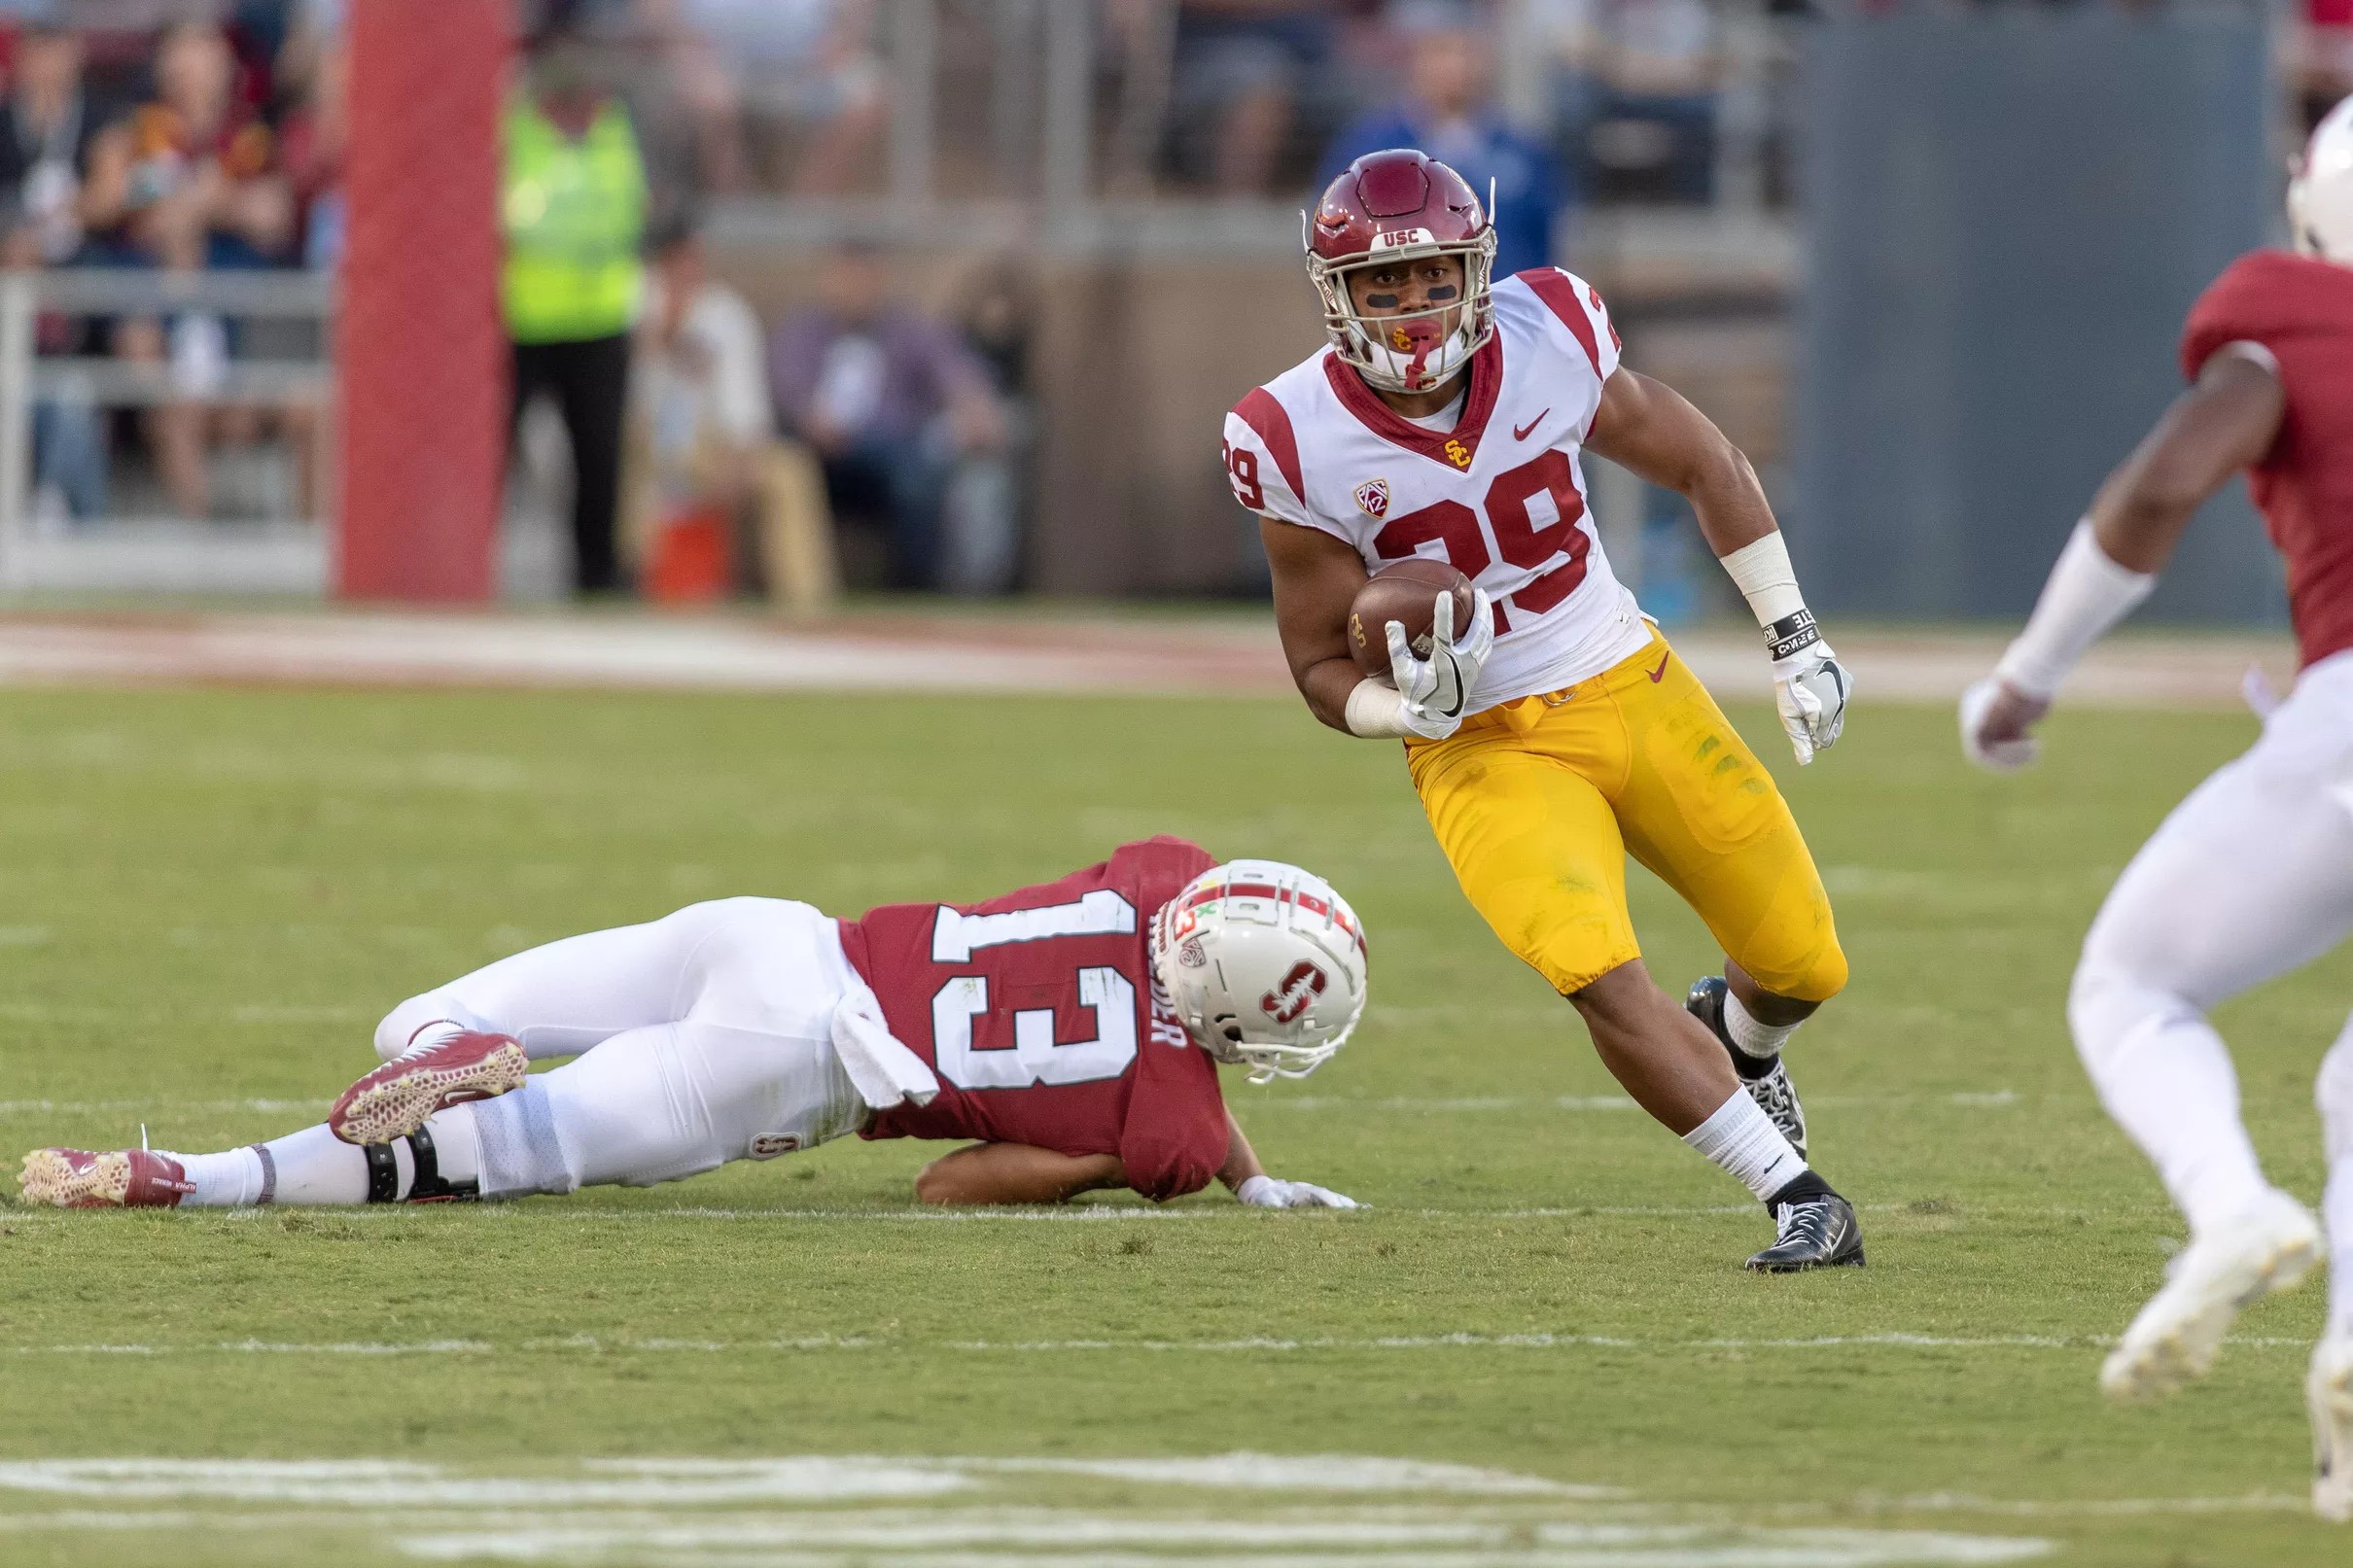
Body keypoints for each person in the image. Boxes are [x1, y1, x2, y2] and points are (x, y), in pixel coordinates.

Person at [1222, 149, 1858, 1272]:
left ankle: (1741, 1042)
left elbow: (1702, 458)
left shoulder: (1551, 330)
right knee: (1593, 965)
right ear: (1337, 295)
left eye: (1430, 278)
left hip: (1625, 675)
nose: (1412, 307)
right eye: (1383, 285)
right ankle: (1794, 1194)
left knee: (1803, 962)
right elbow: (1318, 663)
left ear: (1477, 271)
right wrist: (1400, 712)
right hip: (1483, 745)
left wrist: (1790, 630)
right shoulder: (1289, 434)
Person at [1957, 97, 2353, 1521]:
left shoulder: (2290, 312)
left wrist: (2028, 676)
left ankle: (2234, 1206)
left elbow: (2163, 481)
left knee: (2133, 983)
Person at [19, 839, 1366, 1214]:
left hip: (778, 932)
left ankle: (450, 1042)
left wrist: (1209, 1145)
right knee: (485, 1158)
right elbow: (948, 1183)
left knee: (431, 1012)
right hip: (788, 1071)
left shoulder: (1154, 872)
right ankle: (191, 1179)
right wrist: (1124, 1158)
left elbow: (1144, 994)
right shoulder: (1169, 1124)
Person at [78, 18, 296, 520]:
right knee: (167, 391)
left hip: (234, 296)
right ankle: (202, 539)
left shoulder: (249, 135)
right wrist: (175, 202)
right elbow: (105, 201)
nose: (194, 67)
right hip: (160, 292)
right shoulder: (136, 129)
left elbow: (274, 214)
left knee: (264, 405)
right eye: (184, 53)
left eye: (205, 53)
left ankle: (290, 552)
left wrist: (209, 204)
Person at [628, 213, 838, 610]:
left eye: (690, 257)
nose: (684, 268)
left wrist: (741, 454)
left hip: (714, 447)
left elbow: (745, 403)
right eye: (673, 258)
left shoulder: (725, 314)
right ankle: (631, 584)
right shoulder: (633, 302)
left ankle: (808, 606)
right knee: (637, 467)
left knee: (790, 472)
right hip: (650, 443)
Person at [768, 244, 1006, 591]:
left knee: (920, 473)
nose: (854, 287)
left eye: (864, 277)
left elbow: (955, 374)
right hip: (819, 453)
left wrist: (974, 407)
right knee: (788, 469)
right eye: (845, 277)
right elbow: (789, 387)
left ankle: (917, 589)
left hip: (890, 450)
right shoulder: (803, 331)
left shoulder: (909, 329)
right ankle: (806, 594)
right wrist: (811, 418)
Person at [503, 29, 648, 596]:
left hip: (599, 320)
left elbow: (629, 216)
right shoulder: (517, 137)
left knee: (599, 456)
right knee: (495, 450)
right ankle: (466, 566)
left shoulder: (614, 138)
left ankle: (597, 572)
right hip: (527, 319)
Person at [1317, 4, 1565, 281]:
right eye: (1442, 51)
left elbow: (1546, 239)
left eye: (1467, 52)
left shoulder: (1524, 149)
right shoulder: (1369, 147)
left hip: (1505, 311)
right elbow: (1332, 240)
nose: (1456, 66)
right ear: (1416, 59)